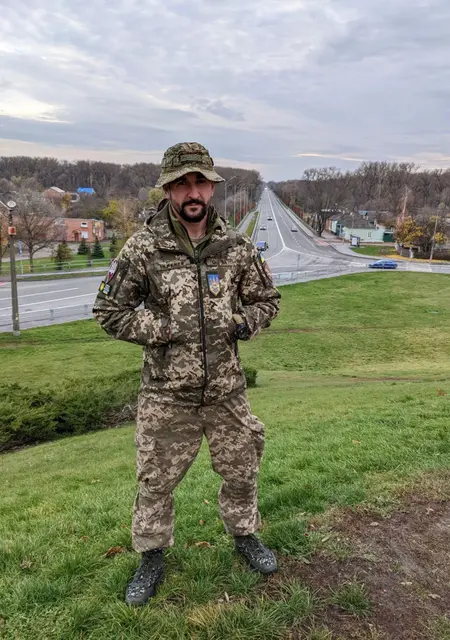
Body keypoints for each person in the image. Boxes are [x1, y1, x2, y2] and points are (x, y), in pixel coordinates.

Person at [93, 142, 281, 606]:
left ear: (212, 188)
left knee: (242, 469)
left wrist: (242, 323)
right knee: (155, 481)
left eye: (200, 182)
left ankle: (244, 535)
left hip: (226, 391)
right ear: (168, 190)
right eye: (181, 184)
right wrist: (163, 329)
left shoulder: (235, 246)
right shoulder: (143, 248)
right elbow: (109, 311)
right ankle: (151, 557)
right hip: (166, 394)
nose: (192, 192)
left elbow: (266, 300)